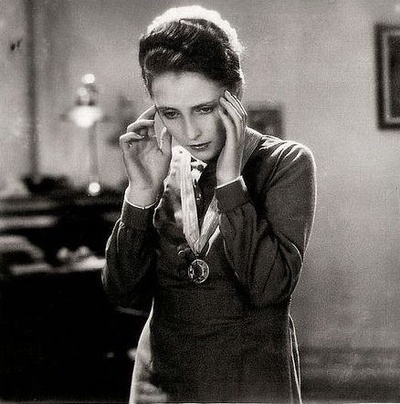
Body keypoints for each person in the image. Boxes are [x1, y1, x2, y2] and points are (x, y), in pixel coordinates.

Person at [102, 5, 316, 403]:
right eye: (171, 113)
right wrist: (142, 193)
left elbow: (269, 289)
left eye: (204, 108)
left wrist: (231, 181)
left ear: (235, 95)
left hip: (253, 386)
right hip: (162, 385)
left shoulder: (286, 163)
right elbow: (122, 292)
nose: (190, 132)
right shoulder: (160, 164)